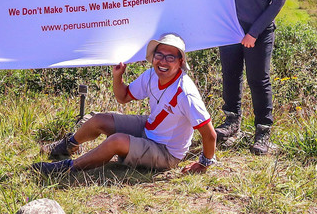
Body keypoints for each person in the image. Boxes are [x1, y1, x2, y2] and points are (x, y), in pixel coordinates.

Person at [34, 33, 216, 175]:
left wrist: (204, 163)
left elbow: (210, 135)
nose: (163, 61)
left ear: (180, 62)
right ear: (153, 57)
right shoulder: (151, 75)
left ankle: (67, 168)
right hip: (150, 128)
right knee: (99, 120)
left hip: (167, 152)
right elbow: (123, 97)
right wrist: (117, 76)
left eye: (170, 58)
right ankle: (68, 146)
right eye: (159, 55)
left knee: (116, 141)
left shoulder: (185, 93)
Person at [216, 0, 291, 154]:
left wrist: (253, 33)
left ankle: (263, 133)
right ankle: (231, 121)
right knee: (230, 73)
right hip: (230, 24)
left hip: (258, 31)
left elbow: (276, 4)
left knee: (258, 80)